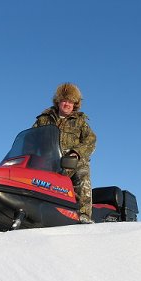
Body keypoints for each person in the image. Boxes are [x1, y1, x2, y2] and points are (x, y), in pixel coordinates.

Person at [33, 83, 96, 223]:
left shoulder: (80, 122)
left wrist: (76, 153)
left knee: (82, 171)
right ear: (58, 101)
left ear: (75, 104)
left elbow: (91, 140)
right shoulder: (44, 119)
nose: (67, 104)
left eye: (71, 101)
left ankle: (84, 215)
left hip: (71, 163)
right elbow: (31, 138)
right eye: (64, 100)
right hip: (48, 161)